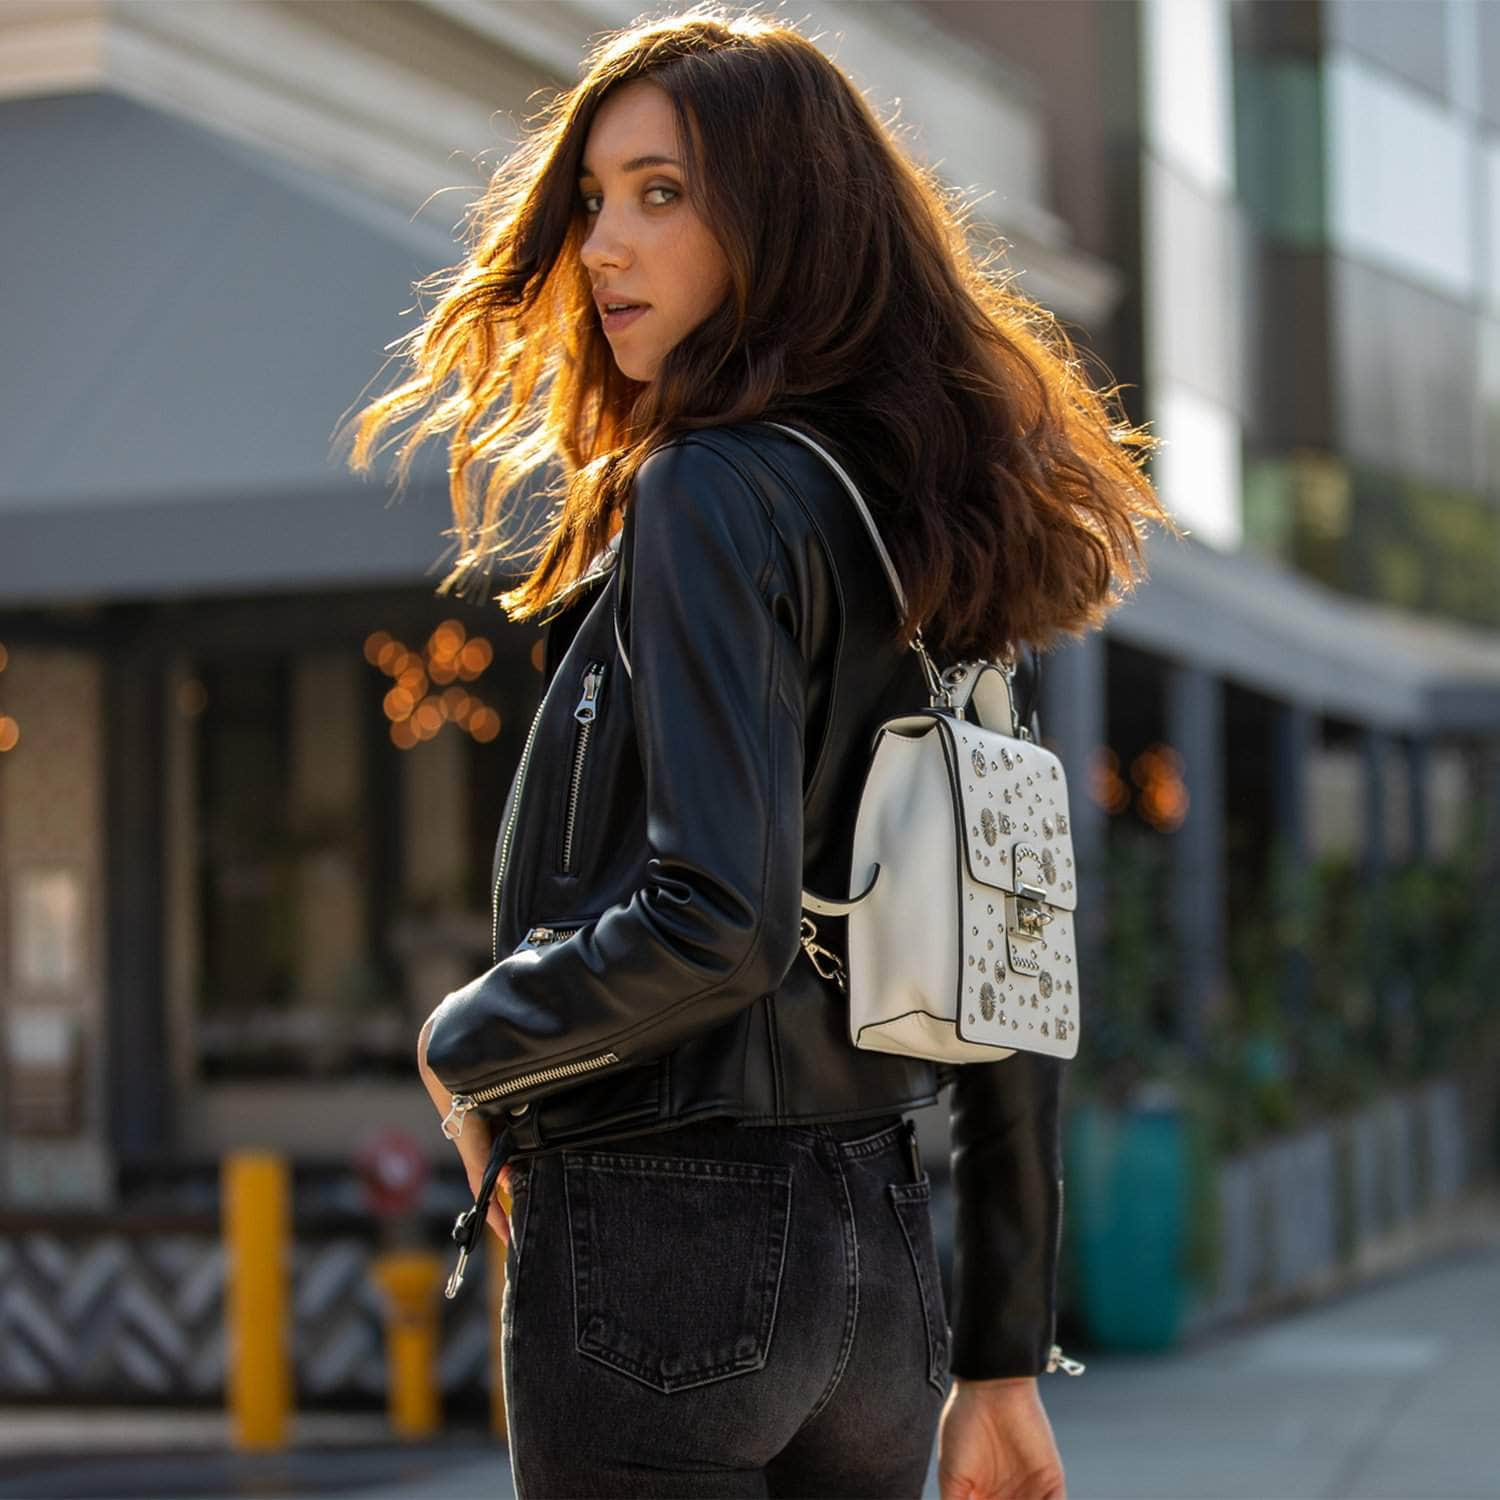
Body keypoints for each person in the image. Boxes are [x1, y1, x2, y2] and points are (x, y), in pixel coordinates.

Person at [344, 8, 1173, 1497]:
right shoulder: (928, 518)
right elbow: (1015, 959)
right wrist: (997, 1358)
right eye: (592, 199)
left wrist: (465, 1041)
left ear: (782, 219)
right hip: (875, 1266)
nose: (602, 246)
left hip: (669, 1240)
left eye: (662, 194)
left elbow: (715, 926)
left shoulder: (707, 492)